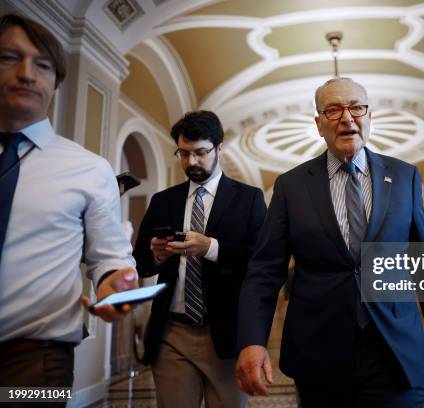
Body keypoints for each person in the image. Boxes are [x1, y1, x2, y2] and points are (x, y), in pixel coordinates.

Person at [236, 77, 424, 408]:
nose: (347, 117)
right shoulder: (291, 186)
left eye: (357, 107)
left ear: (369, 117)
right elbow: (265, 270)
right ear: (319, 124)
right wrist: (253, 341)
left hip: (394, 346)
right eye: (334, 109)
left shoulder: (404, 176)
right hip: (319, 349)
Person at [0, 14, 138, 393]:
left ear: (57, 80)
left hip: (37, 361)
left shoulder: (89, 169)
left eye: (42, 65)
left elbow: (110, 258)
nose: (27, 74)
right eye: (9, 58)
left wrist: (115, 286)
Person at [133, 110, 266, 408]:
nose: (191, 162)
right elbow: (140, 261)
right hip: (171, 333)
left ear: (219, 148)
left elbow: (260, 262)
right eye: (184, 153)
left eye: (201, 153)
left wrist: (211, 248)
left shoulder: (249, 198)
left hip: (227, 334)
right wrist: (155, 254)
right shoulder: (163, 200)